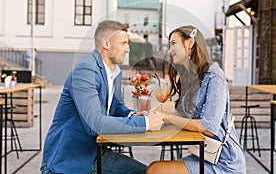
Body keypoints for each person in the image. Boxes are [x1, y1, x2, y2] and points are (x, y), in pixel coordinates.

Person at [41, 20, 165, 174]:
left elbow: (117, 107)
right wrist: (146, 122)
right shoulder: (86, 69)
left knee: (151, 171)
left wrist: (133, 114)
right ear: (106, 43)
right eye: (124, 43)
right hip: (70, 160)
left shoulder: (115, 71)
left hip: (95, 151)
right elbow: (95, 123)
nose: (127, 49)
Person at [146, 26, 246, 174]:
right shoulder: (191, 77)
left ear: (190, 43)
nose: (169, 50)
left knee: (155, 170)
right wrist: (154, 113)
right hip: (203, 154)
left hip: (224, 160)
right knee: (155, 168)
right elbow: (183, 114)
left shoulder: (214, 76)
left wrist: (167, 117)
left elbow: (207, 127)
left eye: (174, 43)